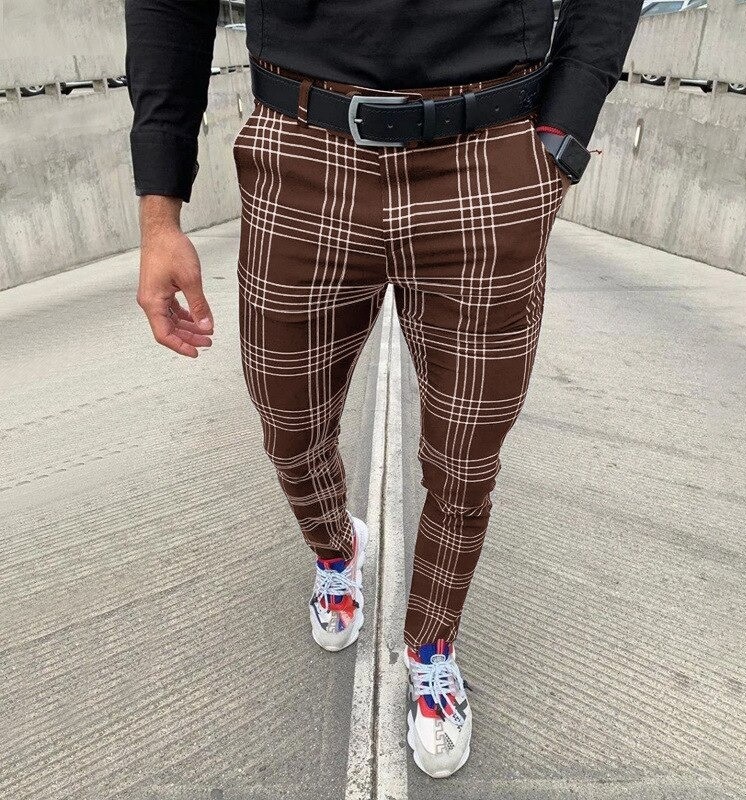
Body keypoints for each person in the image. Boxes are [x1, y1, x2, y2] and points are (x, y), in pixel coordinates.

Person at [125, 0, 641, 778]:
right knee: (288, 423)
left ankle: (432, 648)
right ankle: (339, 549)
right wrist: (159, 212)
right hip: (302, 147)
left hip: (489, 151)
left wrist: (561, 137)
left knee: (464, 461)